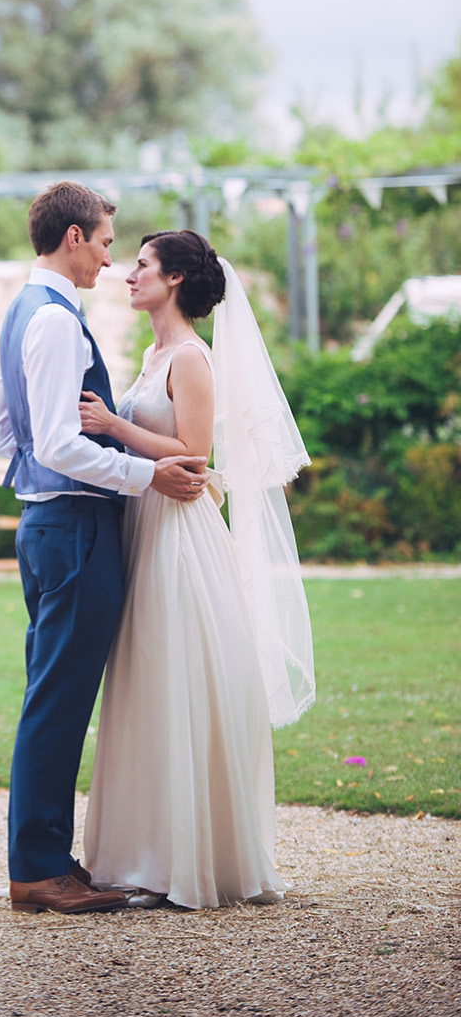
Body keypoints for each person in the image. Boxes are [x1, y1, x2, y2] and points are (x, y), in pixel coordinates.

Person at [0, 184, 210, 915]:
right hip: (75, 528)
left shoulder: (25, 312)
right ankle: (39, 869)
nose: (111, 258)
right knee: (57, 702)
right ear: (75, 236)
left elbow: (1, 434)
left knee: (54, 695)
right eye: (108, 242)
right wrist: (145, 474)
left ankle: (48, 859)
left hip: (47, 526)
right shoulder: (54, 321)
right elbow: (52, 441)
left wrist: (55, 470)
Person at [78, 229, 316, 910]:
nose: (129, 273)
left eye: (144, 264)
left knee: (174, 673)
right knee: (147, 681)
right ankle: (142, 853)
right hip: (146, 528)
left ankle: (188, 858)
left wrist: (115, 428)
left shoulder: (191, 357)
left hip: (180, 537)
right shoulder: (154, 354)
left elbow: (194, 453)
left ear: (176, 278)